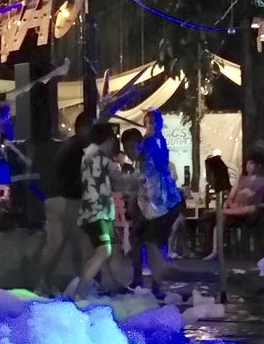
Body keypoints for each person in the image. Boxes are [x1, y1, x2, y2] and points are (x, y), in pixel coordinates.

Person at [37, 111, 94, 293]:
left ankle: (43, 283)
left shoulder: (69, 145)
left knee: (56, 244)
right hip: (68, 199)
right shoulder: (82, 147)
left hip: (54, 197)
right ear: (85, 127)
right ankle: (82, 286)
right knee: (82, 242)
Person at [130, 109, 182, 298]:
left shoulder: (155, 141)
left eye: (153, 122)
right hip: (151, 198)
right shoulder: (151, 140)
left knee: (150, 239)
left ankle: (155, 281)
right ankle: (148, 280)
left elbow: (157, 165)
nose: (150, 126)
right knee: (144, 239)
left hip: (158, 200)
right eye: (147, 122)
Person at [73, 119, 118, 296]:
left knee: (110, 250)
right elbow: (117, 178)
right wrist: (138, 179)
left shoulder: (88, 155)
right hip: (97, 211)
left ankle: (112, 287)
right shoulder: (98, 156)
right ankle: (78, 293)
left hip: (96, 211)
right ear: (108, 140)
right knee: (104, 250)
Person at [203, 156, 264, 258]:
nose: (249, 166)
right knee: (221, 218)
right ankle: (216, 250)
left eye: (252, 164)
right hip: (235, 210)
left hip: (251, 212)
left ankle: (218, 211)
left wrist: (256, 206)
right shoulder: (241, 179)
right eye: (248, 164)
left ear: (259, 166)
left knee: (249, 210)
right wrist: (232, 204)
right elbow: (230, 198)